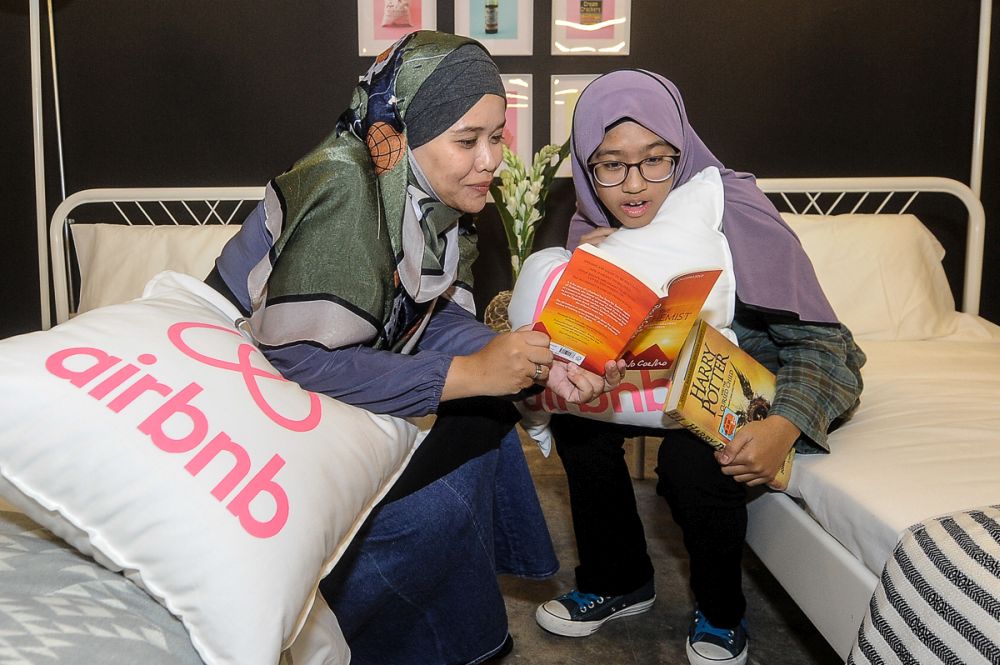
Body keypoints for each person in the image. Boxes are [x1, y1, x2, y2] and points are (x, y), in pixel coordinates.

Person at [205, 32, 624, 665]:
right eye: (467, 140)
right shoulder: (342, 191)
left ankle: (455, 632)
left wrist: (529, 364)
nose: (491, 160)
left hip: (300, 381)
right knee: (470, 429)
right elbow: (294, 359)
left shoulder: (419, 197)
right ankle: (354, 621)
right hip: (238, 393)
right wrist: (470, 373)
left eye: (497, 135)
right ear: (402, 133)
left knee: (487, 411)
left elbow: (426, 312)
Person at [531, 69, 866, 665]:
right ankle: (619, 580)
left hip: (754, 379)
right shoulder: (591, 227)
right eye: (610, 165)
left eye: (655, 160)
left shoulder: (733, 209)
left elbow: (823, 347)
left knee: (693, 464)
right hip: (651, 385)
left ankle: (720, 611)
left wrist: (783, 425)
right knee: (579, 427)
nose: (634, 185)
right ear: (586, 169)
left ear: (680, 153)